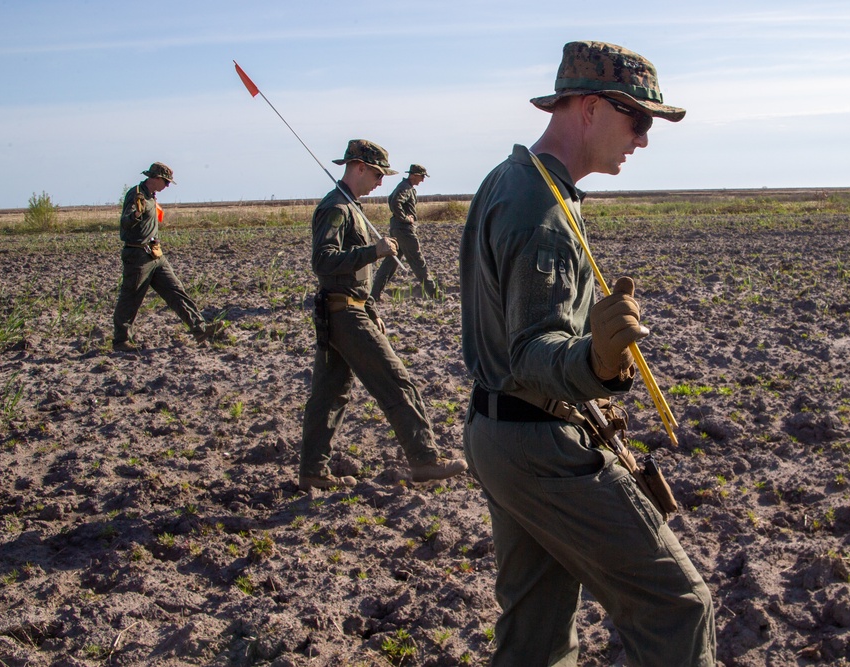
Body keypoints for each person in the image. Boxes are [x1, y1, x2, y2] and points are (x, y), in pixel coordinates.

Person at [459, 41, 716, 665]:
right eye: (640, 120)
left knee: (537, 634)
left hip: (501, 433)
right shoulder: (540, 207)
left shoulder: (517, 179)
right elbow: (532, 351)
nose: (644, 139)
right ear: (593, 108)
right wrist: (598, 364)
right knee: (679, 606)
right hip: (538, 442)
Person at [299, 140, 467, 492]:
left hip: (348, 311)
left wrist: (370, 308)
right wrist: (372, 251)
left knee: (330, 395)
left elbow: (349, 277)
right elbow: (323, 261)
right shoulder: (336, 209)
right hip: (343, 316)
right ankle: (425, 459)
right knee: (396, 381)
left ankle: (314, 471)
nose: (380, 182)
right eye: (377, 174)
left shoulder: (350, 206)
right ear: (358, 166)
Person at [112, 162, 226, 352]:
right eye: (165, 182)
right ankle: (120, 341)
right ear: (155, 178)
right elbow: (125, 222)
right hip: (137, 256)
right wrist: (136, 215)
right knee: (130, 297)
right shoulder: (137, 194)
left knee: (176, 290)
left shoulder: (151, 196)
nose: (166, 186)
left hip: (155, 254)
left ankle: (200, 329)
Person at [370, 164, 440, 301]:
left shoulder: (405, 187)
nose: (422, 180)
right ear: (413, 175)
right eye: (421, 176)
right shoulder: (405, 188)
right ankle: (434, 294)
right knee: (418, 262)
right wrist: (404, 218)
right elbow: (395, 202)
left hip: (399, 229)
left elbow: (391, 199)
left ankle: (375, 294)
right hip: (404, 230)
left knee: (390, 262)